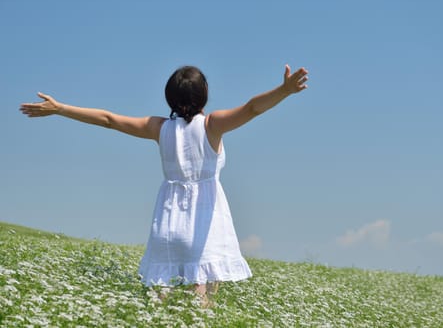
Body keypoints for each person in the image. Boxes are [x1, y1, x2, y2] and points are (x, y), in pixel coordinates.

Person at [19, 64, 309, 306]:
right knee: (200, 295)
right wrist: (283, 91)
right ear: (204, 95)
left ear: (169, 98)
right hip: (205, 220)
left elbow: (108, 120)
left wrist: (60, 108)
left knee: (163, 294)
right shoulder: (212, 125)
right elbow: (252, 108)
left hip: (170, 218)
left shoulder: (159, 128)